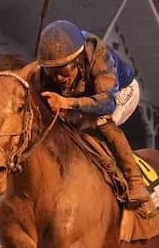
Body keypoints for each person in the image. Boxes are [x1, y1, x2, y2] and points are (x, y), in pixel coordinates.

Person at [36, 19, 150, 206]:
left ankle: (135, 181)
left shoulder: (97, 53)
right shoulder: (47, 70)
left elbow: (107, 102)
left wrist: (68, 102)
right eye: (52, 72)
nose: (59, 78)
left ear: (77, 61)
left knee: (102, 121)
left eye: (63, 72)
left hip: (120, 91)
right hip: (86, 96)